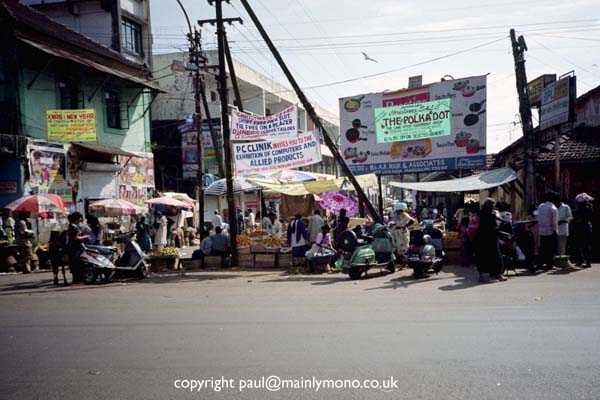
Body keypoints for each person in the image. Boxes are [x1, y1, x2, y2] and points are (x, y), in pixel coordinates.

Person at [473, 198, 506, 282]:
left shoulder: (480, 213)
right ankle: (498, 275)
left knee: (482, 256)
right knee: (496, 256)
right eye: (493, 205)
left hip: (481, 238)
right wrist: (503, 220)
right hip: (491, 237)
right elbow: (499, 220)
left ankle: (482, 275)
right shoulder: (492, 213)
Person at [537, 191, 559, 270]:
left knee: (542, 248)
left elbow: (538, 217)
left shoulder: (540, 206)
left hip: (542, 230)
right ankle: (549, 265)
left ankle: (540, 264)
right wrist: (555, 230)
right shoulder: (553, 208)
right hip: (550, 231)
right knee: (551, 249)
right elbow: (555, 221)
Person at [571, 192, 594, 268]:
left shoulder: (587, 207)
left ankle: (587, 262)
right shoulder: (583, 207)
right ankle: (581, 260)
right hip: (580, 226)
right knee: (578, 244)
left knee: (585, 245)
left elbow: (582, 215)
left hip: (584, 226)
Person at [66, 212, 89, 284]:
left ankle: (76, 279)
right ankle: (77, 280)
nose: (80, 219)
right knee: (77, 263)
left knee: (74, 263)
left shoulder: (71, 226)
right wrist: (85, 237)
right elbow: (75, 238)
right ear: (76, 219)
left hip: (72, 247)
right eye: (79, 218)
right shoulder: (74, 227)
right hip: (75, 248)